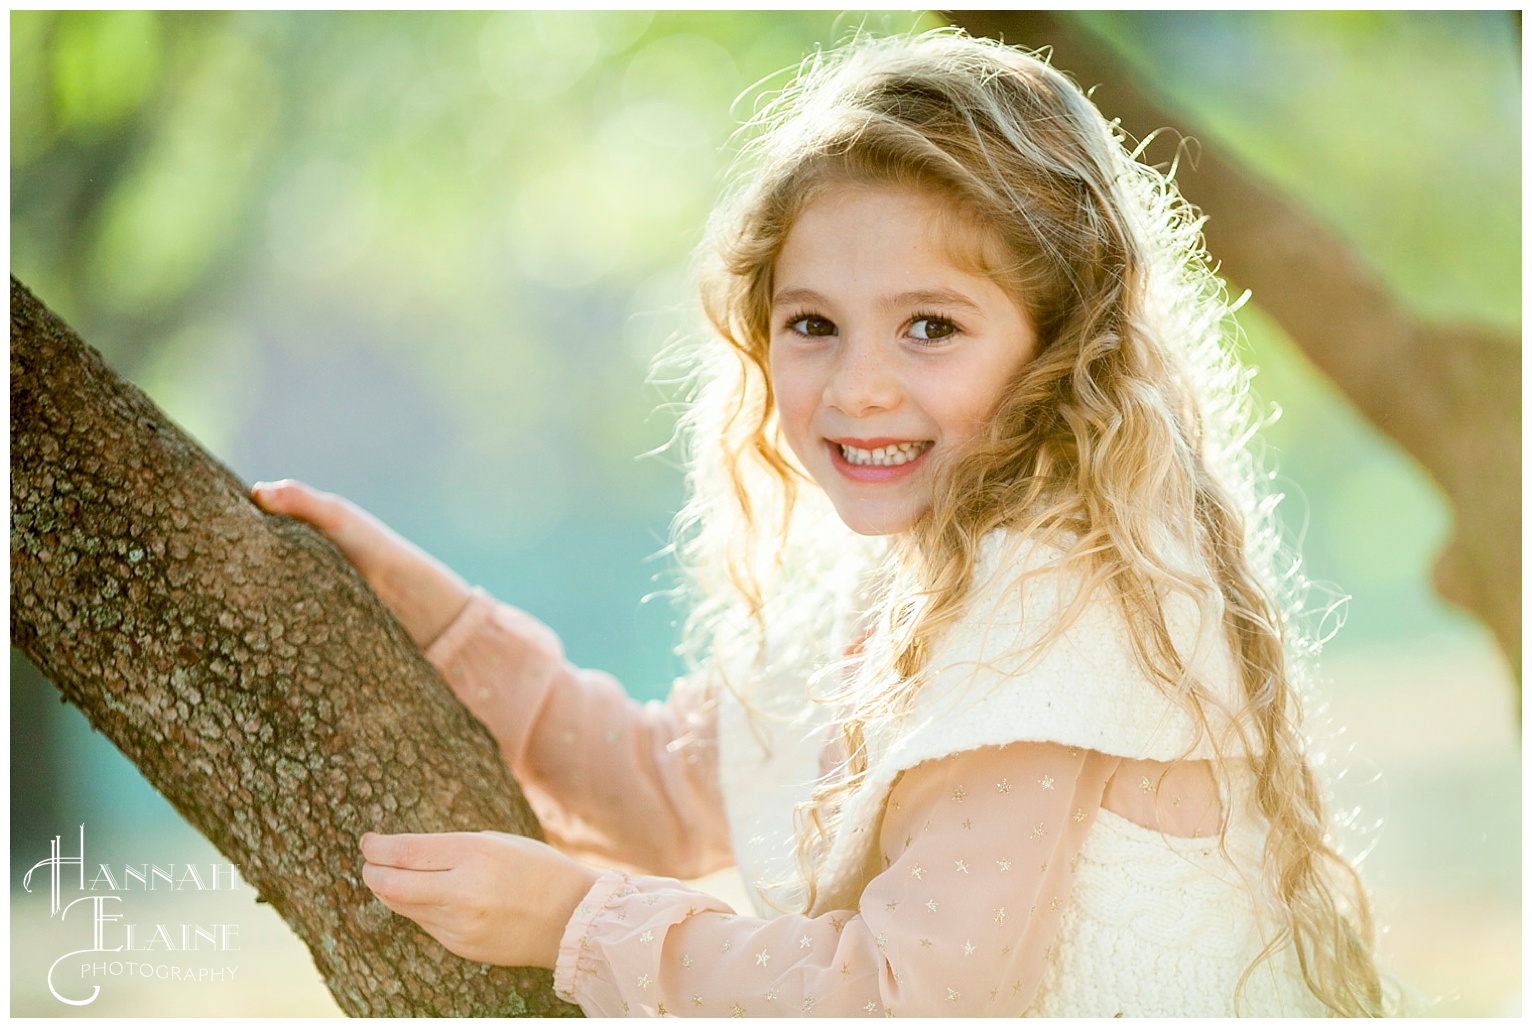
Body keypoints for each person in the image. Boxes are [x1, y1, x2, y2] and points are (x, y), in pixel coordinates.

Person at [253, 29, 1392, 1016]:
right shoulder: (887, 585)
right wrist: (433, 609)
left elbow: (905, 994)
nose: (856, 388)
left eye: (930, 327)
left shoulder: (1058, 601)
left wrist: (578, 923)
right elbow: (655, 786)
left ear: (1060, 343)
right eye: (811, 324)